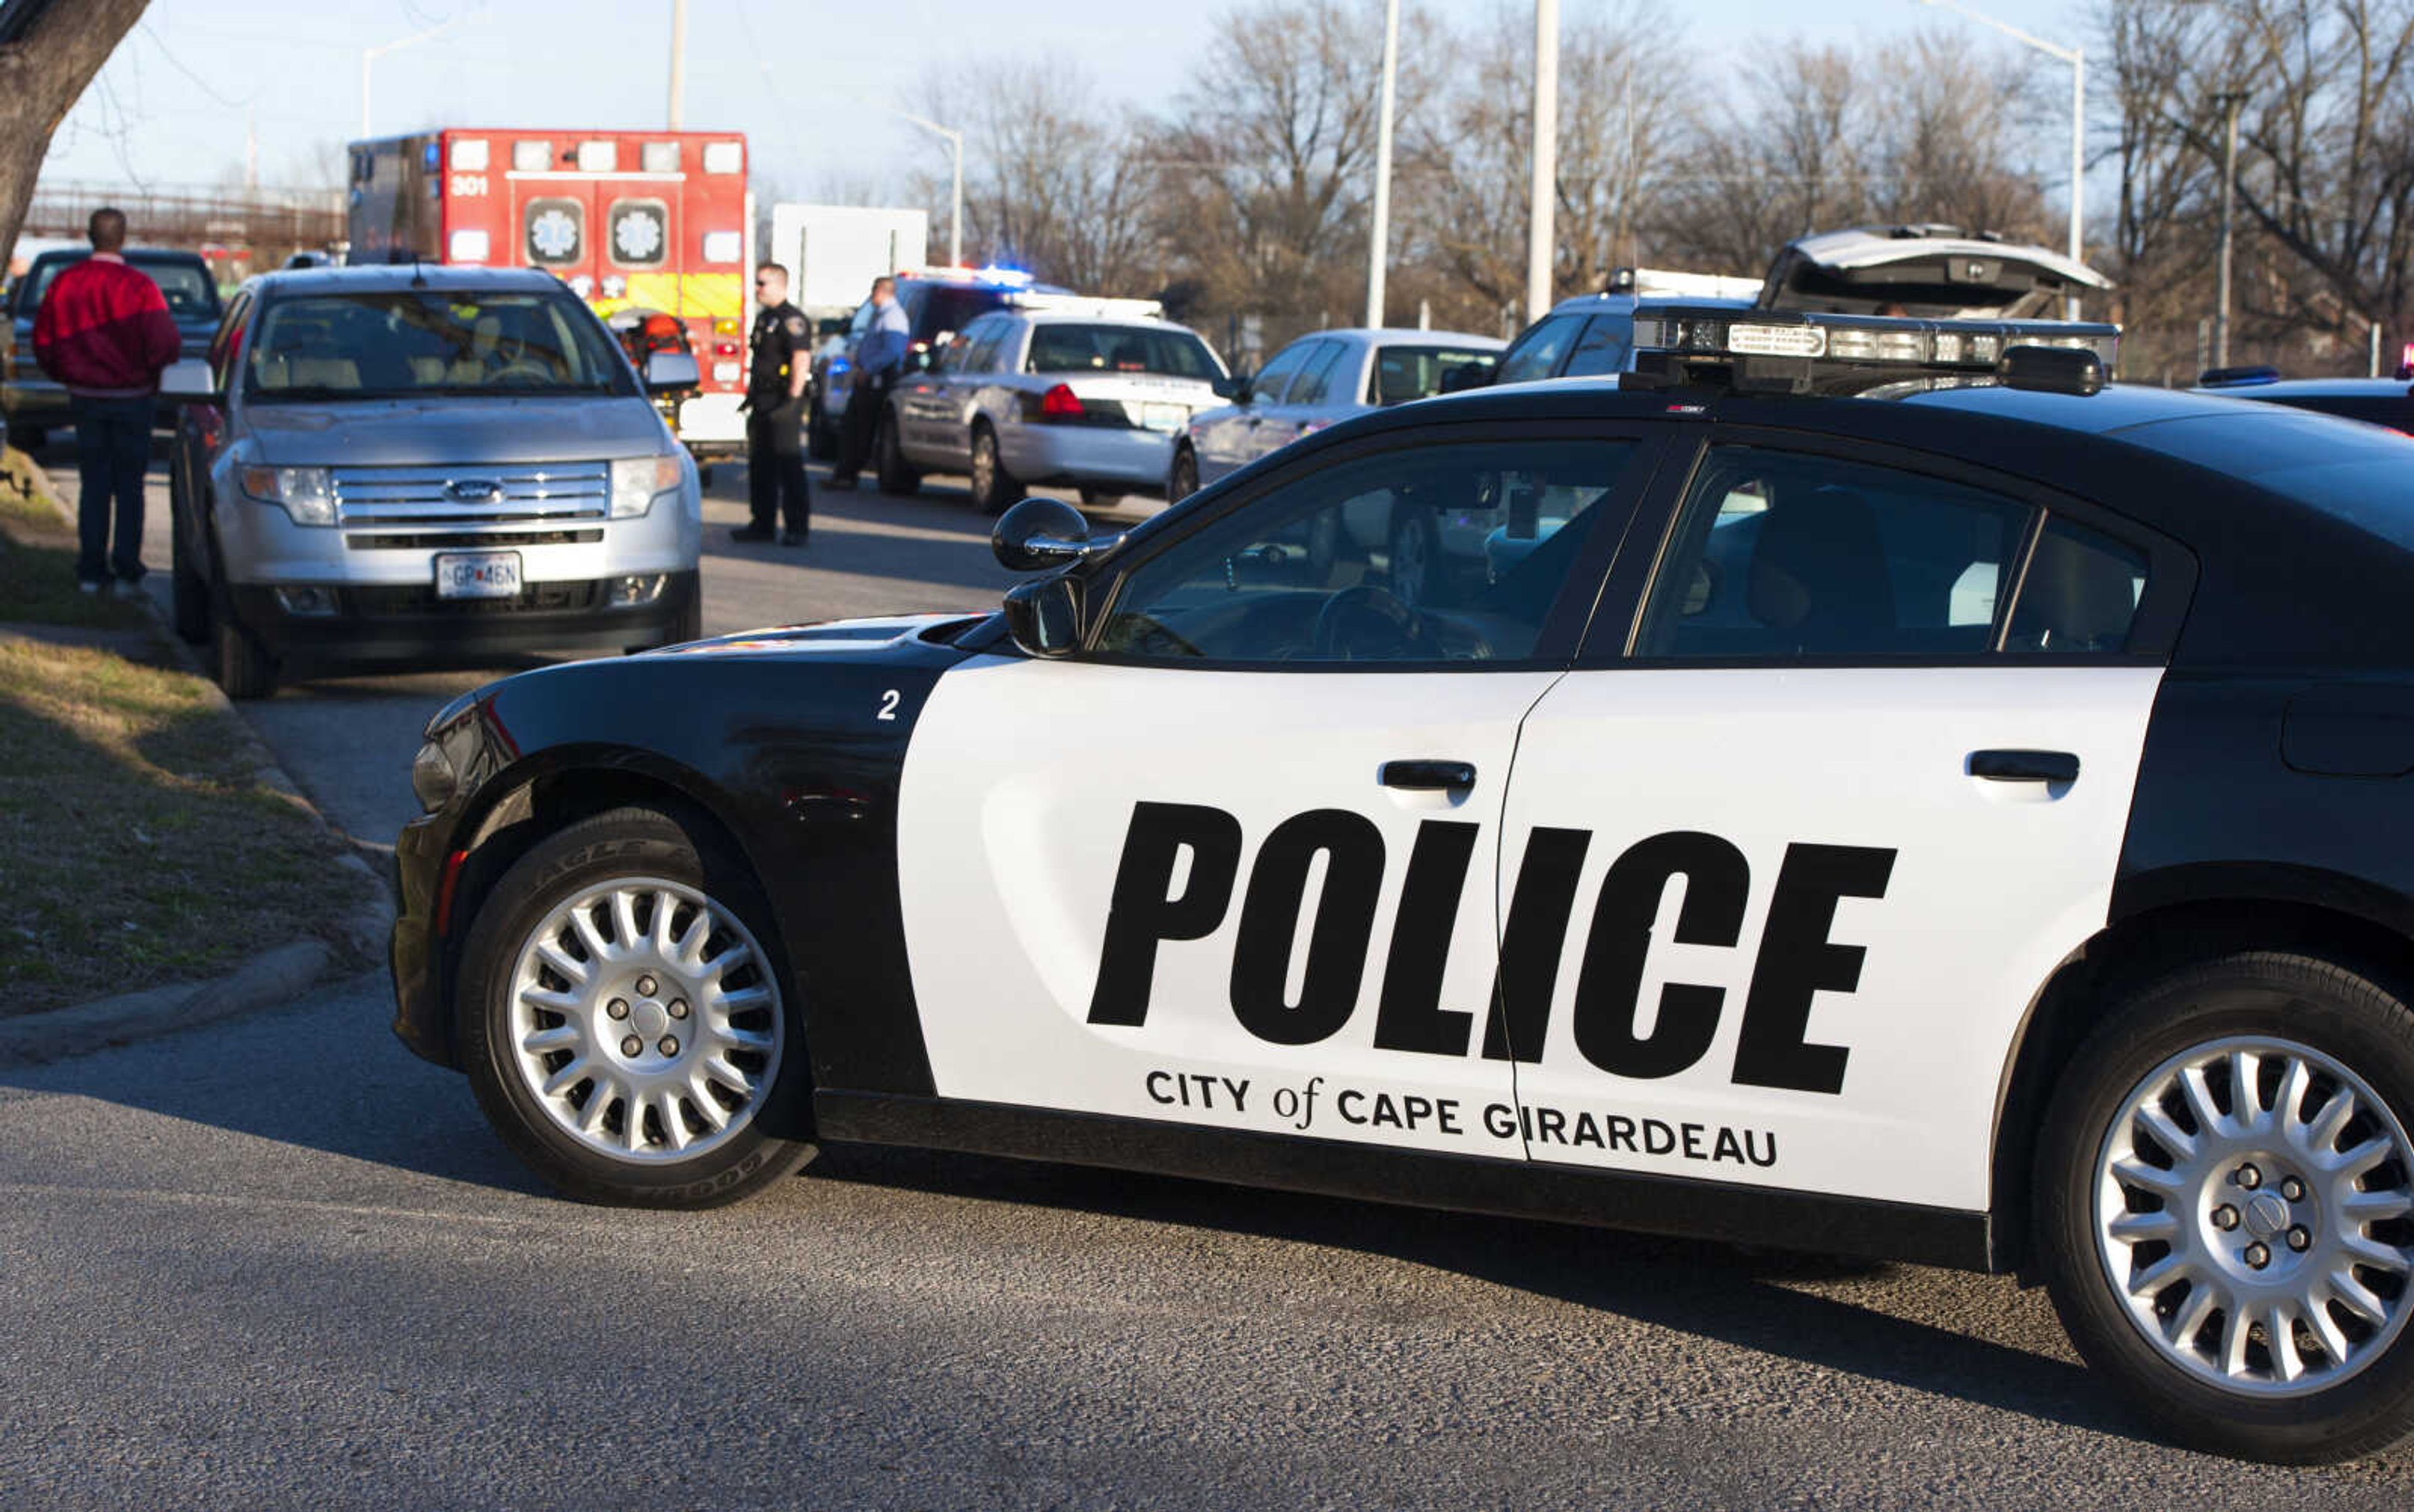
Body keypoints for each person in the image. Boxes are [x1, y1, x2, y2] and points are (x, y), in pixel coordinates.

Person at [33, 207, 179, 593]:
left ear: (89, 235)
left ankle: (91, 570)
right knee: (130, 485)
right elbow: (165, 342)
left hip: (86, 397)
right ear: (123, 237)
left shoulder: (66, 283)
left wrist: (67, 374)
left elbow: (44, 342)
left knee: (94, 483)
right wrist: (149, 373)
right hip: (133, 398)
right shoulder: (139, 287)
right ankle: (128, 569)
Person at [732, 263, 812, 545]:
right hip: (763, 400)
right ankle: (762, 524)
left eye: (762, 283)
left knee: (788, 465)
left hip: (783, 401)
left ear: (780, 284)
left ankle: (797, 527)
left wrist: (793, 400)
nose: (757, 288)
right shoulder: (766, 319)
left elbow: (801, 360)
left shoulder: (792, 320)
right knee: (761, 465)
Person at [827, 275, 910, 490]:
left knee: (861, 428)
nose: (872, 296)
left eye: (874, 291)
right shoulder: (880, 314)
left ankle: (848, 473)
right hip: (868, 378)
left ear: (883, 292)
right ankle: (845, 473)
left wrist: (869, 369)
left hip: (877, 381)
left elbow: (892, 352)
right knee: (852, 426)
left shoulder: (893, 317)